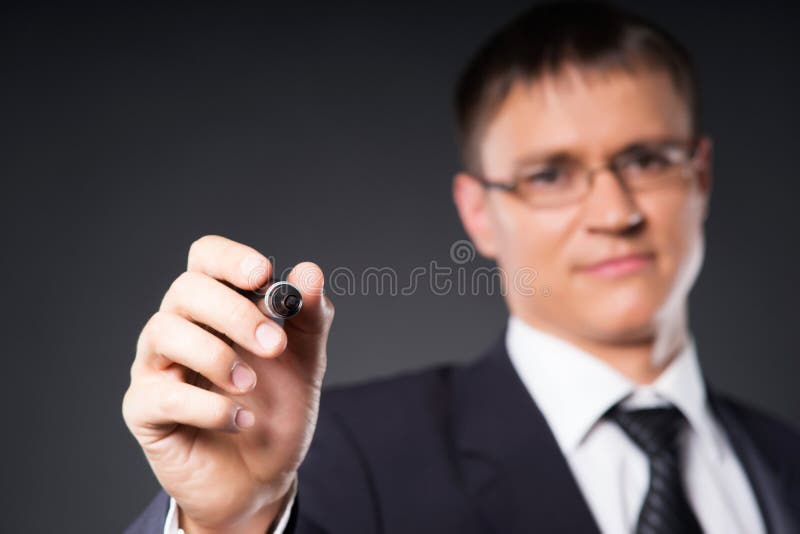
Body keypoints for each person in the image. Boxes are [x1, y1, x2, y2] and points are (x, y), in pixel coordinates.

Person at [122, 2, 800, 533]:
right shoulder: (339, 456)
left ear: (701, 175)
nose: (615, 211)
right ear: (477, 213)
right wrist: (230, 525)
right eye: (550, 174)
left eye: (647, 160)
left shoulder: (785, 461)